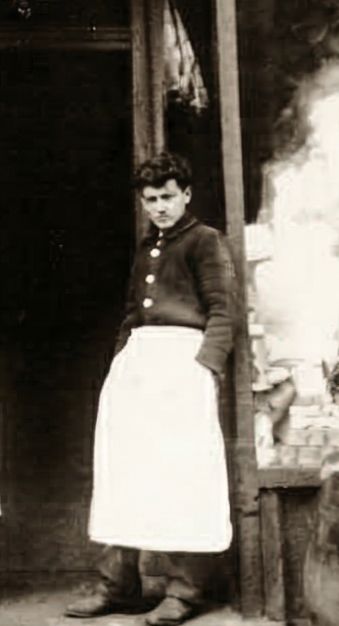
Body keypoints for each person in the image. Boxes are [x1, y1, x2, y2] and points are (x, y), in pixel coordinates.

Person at [67, 153, 234, 626]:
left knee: (181, 472)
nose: (159, 207)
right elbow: (131, 313)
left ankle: (185, 591)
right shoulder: (147, 247)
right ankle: (117, 585)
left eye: (167, 197)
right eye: (151, 200)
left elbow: (223, 309)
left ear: (186, 194)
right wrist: (122, 358)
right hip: (139, 364)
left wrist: (205, 369)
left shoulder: (205, 241)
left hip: (184, 364)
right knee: (124, 468)